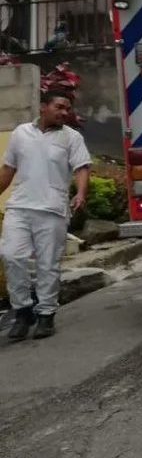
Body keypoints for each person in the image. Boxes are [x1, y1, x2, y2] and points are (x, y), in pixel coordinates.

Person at [0, 89, 90, 340]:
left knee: (47, 265)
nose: (64, 112)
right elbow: (8, 168)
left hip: (52, 210)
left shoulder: (71, 138)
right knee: (11, 256)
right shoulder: (21, 133)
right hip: (19, 207)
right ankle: (22, 310)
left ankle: (46, 315)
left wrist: (80, 193)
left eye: (67, 109)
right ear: (43, 107)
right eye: (59, 107)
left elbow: (82, 167)